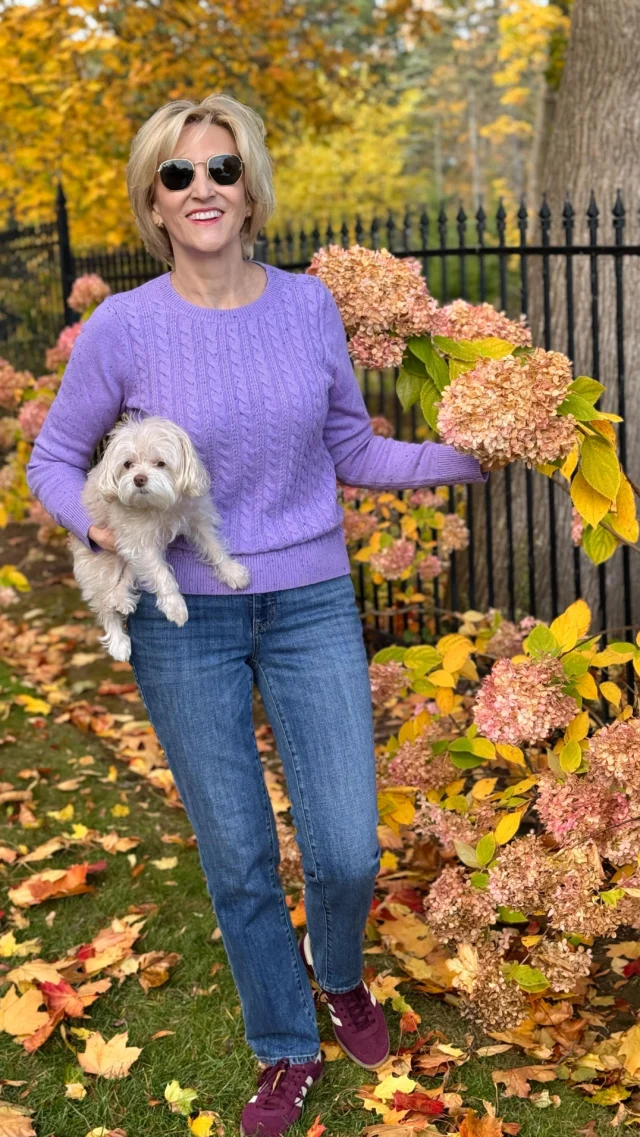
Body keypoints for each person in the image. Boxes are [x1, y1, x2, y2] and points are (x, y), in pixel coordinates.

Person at [26, 93, 490, 1137]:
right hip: (184, 619)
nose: (203, 191)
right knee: (236, 851)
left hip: (312, 602)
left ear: (250, 186)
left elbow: (354, 450)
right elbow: (55, 458)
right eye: (178, 175)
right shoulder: (124, 326)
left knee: (344, 851)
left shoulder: (307, 308)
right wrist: (99, 532)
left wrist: (476, 453)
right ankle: (283, 1042)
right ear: (152, 199)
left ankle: (338, 976)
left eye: (221, 169)